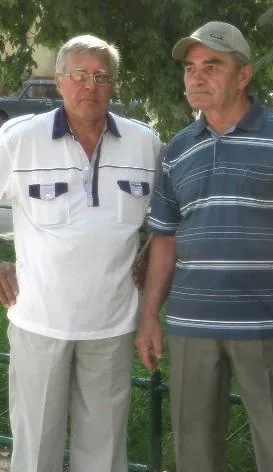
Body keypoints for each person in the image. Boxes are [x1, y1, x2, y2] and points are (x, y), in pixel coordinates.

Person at [134, 21, 273, 472]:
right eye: (190, 68)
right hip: (190, 324)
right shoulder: (178, 149)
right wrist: (149, 316)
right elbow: (164, 237)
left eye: (212, 66)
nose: (196, 77)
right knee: (195, 453)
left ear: (243, 75)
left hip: (267, 324)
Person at [0, 35, 162, 471]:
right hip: (40, 322)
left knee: (104, 455)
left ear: (113, 84)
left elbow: (169, 218)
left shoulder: (144, 143)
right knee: (36, 451)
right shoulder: (18, 139)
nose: (90, 85)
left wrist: (149, 250)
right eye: (78, 75)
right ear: (58, 81)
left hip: (112, 326)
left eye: (101, 76)